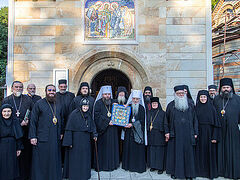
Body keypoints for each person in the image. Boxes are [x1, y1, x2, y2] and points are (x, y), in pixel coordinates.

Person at [29, 84, 64, 180]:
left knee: (54, 158)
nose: (52, 92)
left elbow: (61, 119)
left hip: (55, 137)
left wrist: (61, 132)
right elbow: (33, 121)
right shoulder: (39, 103)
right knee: (43, 160)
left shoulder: (58, 104)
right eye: (49, 90)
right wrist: (32, 136)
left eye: (53, 90)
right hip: (42, 137)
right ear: (46, 91)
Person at [2, 81, 33, 180]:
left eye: (20, 87)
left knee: (25, 157)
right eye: (16, 87)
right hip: (11, 134)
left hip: (25, 133)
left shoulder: (27, 99)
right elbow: (4, 117)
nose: (18, 89)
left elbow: (33, 113)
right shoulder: (6, 100)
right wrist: (19, 123)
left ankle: (24, 176)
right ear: (11, 88)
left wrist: (28, 121)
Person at [165, 85, 198, 180]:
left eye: (182, 93)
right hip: (175, 135)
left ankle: (189, 174)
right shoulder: (170, 105)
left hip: (188, 134)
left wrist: (195, 132)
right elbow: (166, 121)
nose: (180, 95)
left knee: (188, 155)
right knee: (175, 154)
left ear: (185, 93)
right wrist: (167, 132)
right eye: (178, 93)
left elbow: (195, 120)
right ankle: (175, 172)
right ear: (175, 94)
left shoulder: (191, 105)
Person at [63, 98, 98, 180]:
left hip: (86, 140)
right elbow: (69, 129)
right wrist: (69, 142)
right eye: (84, 106)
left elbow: (92, 126)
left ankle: (85, 175)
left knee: (85, 158)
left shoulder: (88, 115)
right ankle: (75, 175)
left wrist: (95, 134)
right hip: (76, 140)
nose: (85, 108)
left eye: (87, 106)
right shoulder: (74, 114)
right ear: (80, 106)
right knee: (76, 158)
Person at [213, 78, 240, 179]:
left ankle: (233, 172)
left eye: (227, 87)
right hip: (220, 129)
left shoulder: (238, 99)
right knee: (221, 151)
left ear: (231, 88)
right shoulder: (216, 99)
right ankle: (222, 171)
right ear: (221, 88)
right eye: (224, 87)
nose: (226, 89)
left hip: (233, 130)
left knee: (233, 151)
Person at [93, 85, 119, 171]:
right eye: (105, 94)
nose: (107, 96)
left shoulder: (114, 102)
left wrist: (119, 106)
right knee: (103, 148)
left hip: (113, 130)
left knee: (112, 147)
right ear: (102, 95)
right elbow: (97, 116)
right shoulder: (98, 103)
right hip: (103, 131)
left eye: (108, 94)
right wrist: (107, 122)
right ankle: (102, 166)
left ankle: (112, 165)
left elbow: (122, 111)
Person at [195, 90, 220, 179]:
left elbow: (216, 124)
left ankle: (210, 173)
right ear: (199, 98)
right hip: (199, 133)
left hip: (210, 134)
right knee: (199, 153)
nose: (203, 99)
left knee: (209, 153)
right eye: (201, 97)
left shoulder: (212, 108)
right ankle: (199, 172)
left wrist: (215, 136)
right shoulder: (196, 108)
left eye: (204, 97)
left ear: (207, 98)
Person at [122, 90, 146, 173]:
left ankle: (137, 167)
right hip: (129, 133)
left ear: (139, 100)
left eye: (137, 99)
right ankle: (128, 166)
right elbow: (122, 117)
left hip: (138, 133)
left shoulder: (142, 108)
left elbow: (143, 121)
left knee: (138, 151)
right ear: (131, 99)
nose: (135, 100)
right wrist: (124, 123)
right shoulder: (128, 107)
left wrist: (133, 124)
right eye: (134, 99)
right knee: (129, 149)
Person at [0, 104, 23, 180]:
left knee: (12, 166)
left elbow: (19, 136)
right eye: (4, 111)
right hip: (1, 146)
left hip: (12, 146)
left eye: (9, 111)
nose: (6, 113)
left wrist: (19, 148)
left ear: (11, 112)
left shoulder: (15, 121)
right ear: (1, 112)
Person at [147, 97, 166, 174]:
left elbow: (165, 124)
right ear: (151, 104)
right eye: (153, 104)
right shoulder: (148, 113)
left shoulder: (162, 113)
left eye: (155, 103)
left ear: (158, 104)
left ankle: (160, 167)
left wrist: (165, 134)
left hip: (159, 135)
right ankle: (153, 166)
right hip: (151, 134)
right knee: (152, 150)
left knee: (159, 151)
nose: (154, 105)